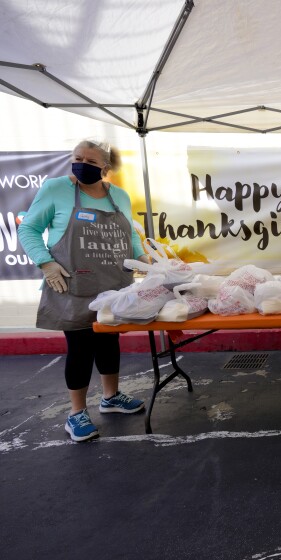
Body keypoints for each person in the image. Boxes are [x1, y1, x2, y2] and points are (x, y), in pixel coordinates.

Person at [18, 139, 152, 442]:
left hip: (113, 284)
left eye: (90, 162)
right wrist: (45, 263)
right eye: (77, 158)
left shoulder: (118, 195)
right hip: (72, 284)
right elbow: (28, 228)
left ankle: (110, 397)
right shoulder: (56, 189)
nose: (82, 165)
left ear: (104, 167)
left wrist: (142, 259)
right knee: (80, 348)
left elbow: (128, 232)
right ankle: (76, 414)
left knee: (108, 341)